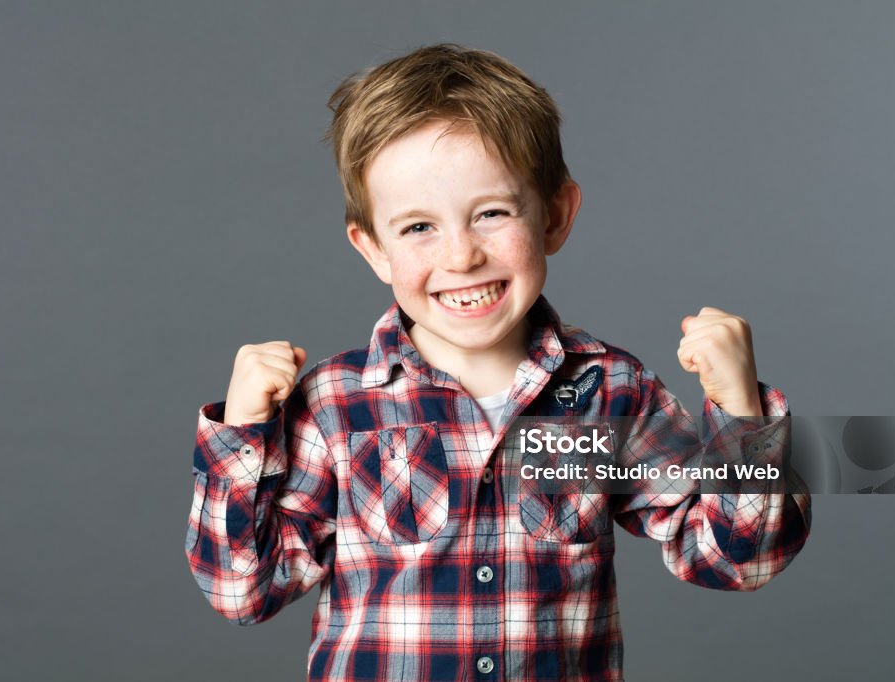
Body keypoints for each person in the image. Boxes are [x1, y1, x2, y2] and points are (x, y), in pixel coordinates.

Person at [184, 43, 811, 681]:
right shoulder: (335, 405)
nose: (461, 257)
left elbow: (741, 561)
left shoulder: (608, 392)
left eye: (491, 213)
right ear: (372, 248)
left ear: (555, 217)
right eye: (418, 227)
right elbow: (243, 593)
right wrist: (241, 435)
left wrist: (740, 412)